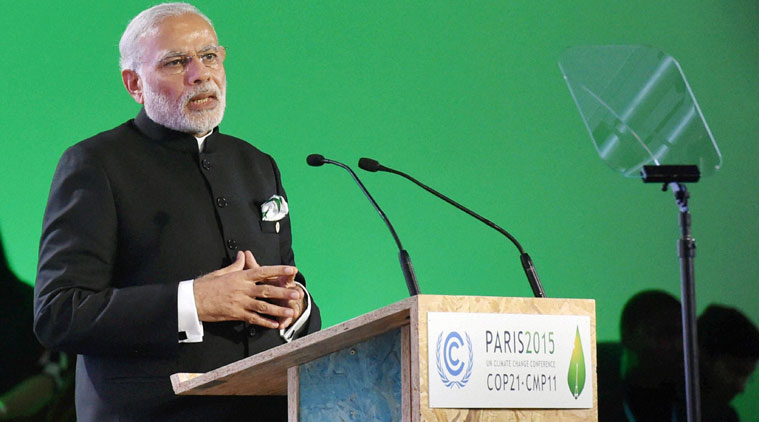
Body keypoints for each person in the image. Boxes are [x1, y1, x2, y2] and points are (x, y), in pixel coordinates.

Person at [33, 3, 320, 421]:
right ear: (134, 84)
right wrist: (193, 302)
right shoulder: (96, 164)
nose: (200, 73)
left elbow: (285, 276)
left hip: (270, 407)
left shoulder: (257, 165)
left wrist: (297, 306)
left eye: (208, 56)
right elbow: (58, 314)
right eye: (175, 62)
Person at [598, 290, 685, 421]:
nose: (680, 346)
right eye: (665, 334)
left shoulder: (703, 411)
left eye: (685, 335)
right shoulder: (594, 415)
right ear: (628, 336)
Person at [698, 304, 759, 422]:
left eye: (747, 377)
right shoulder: (660, 408)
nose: (740, 388)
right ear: (703, 356)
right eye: (735, 371)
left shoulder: (725, 416)